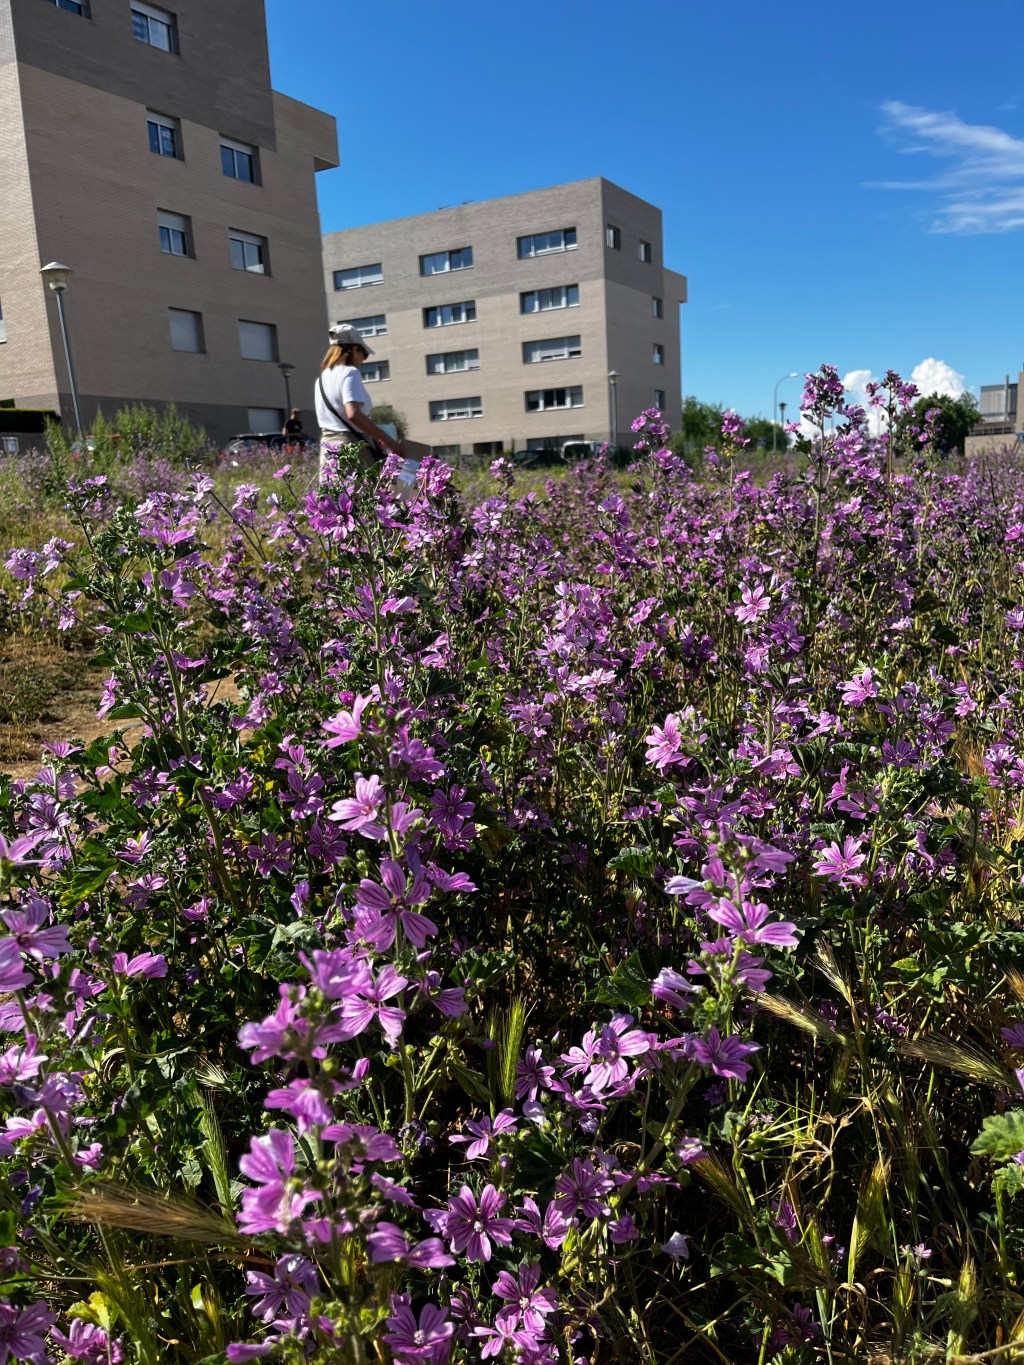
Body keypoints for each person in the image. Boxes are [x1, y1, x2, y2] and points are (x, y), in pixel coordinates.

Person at [314, 324, 405, 480]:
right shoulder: (350, 372)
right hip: (351, 448)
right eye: (363, 353)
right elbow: (353, 413)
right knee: (363, 498)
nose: (363, 359)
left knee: (334, 500)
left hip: (328, 448)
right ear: (353, 349)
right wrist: (390, 442)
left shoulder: (322, 379)